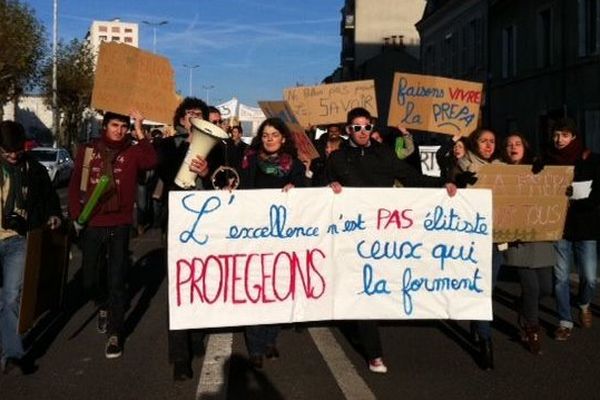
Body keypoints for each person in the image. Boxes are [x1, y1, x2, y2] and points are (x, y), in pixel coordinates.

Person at [327, 107, 456, 374]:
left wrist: (443, 185)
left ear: (372, 128)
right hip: (353, 235)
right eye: (356, 127)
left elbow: (410, 178)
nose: (362, 132)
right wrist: (330, 186)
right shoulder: (337, 157)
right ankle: (374, 353)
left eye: (367, 127)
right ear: (348, 129)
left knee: (383, 286)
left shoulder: (384, 154)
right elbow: (321, 185)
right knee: (365, 288)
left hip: (386, 236)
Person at [67, 110, 157, 359]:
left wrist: (140, 129)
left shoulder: (133, 150)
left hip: (120, 223)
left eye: (124, 126)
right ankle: (102, 303)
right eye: (115, 125)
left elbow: (151, 162)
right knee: (89, 279)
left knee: (117, 279)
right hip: (93, 223)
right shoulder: (88, 150)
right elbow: (75, 185)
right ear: (104, 126)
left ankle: (116, 333)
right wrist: (76, 216)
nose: (119, 130)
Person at [238, 117, 307, 369]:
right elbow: (241, 191)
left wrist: (297, 186)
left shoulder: (295, 166)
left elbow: (306, 192)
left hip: (283, 239)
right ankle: (255, 347)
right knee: (256, 290)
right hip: (255, 236)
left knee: (277, 290)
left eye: (274, 134)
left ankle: (270, 340)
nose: (269, 139)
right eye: (265, 135)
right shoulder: (249, 161)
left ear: (283, 138)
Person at [156, 97, 212, 380]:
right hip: (178, 224)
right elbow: (164, 175)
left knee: (201, 284)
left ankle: (196, 335)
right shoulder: (167, 146)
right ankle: (180, 357)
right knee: (178, 289)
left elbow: (226, 180)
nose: (194, 117)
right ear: (180, 119)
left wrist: (208, 172)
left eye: (199, 113)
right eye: (189, 113)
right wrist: (190, 151)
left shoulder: (217, 148)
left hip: (206, 226)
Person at [0, 121, 62, 374]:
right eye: (6, 152)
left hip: (17, 239)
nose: (13, 156)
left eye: (17, 150)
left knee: (12, 296)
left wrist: (54, 215)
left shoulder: (34, 170)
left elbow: (50, 199)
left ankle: (13, 352)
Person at [543, 118, 600, 341]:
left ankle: (584, 303)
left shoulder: (590, 159)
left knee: (589, 277)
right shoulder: (546, 160)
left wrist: (577, 198)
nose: (559, 139)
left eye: (564, 135)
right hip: (558, 227)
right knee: (560, 278)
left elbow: (598, 193)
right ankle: (564, 321)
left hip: (585, 226)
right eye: (556, 135)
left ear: (573, 137)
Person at [454, 127, 504, 370]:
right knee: (482, 289)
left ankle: (477, 322)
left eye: (492, 141)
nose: (488, 145)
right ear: (474, 143)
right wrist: (457, 183)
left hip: (496, 237)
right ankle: (485, 340)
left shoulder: (502, 167)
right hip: (471, 238)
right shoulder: (462, 164)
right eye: (483, 141)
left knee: (488, 288)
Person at [500, 133, 554, 355]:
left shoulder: (538, 167)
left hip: (539, 235)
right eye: (509, 144)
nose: (513, 147)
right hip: (517, 238)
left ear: (525, 147)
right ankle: (531, 330)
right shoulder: (499, 171)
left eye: (518, 143)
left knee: (545, 289)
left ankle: (524, 307)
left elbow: (554, 189)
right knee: (531, 288)